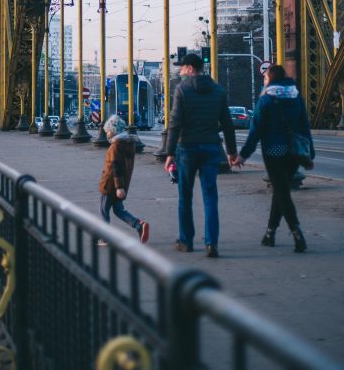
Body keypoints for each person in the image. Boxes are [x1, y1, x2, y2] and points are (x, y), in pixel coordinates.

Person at [233, 64, 314, 253]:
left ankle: (297, 233)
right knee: (281, 190)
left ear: (270, 79)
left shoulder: (266, 99)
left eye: (265, 78)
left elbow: (256, 131)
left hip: (274, 151)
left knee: (282, 193)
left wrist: (244, 155)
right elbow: (304, 126)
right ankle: (270, 233)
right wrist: (310, 151)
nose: (264, 81)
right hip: (294, 153)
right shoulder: (296, 96)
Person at [164, 52, 237, 258]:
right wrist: (231, 152)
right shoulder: (218, 91)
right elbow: (227, 124)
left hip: (186, 148)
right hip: (211, 148)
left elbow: (175, 123)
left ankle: (186, 241)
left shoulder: (182, 90)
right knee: (210, 197)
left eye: (182, 68)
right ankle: (211, 243)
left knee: (185, 197)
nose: (180, 71)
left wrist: (169, 152)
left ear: (189, 68)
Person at [98, 114, 149, 243]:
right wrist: (121, 186)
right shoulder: (128, 145)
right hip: (121, 185)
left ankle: (105, 237)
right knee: (118, 210)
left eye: (108, 131)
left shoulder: (115, 147)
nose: (107, 134)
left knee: (104, 211)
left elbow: (115, 167)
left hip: (110, 185)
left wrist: (118, 187)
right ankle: (139, 225)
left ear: (113, 130)